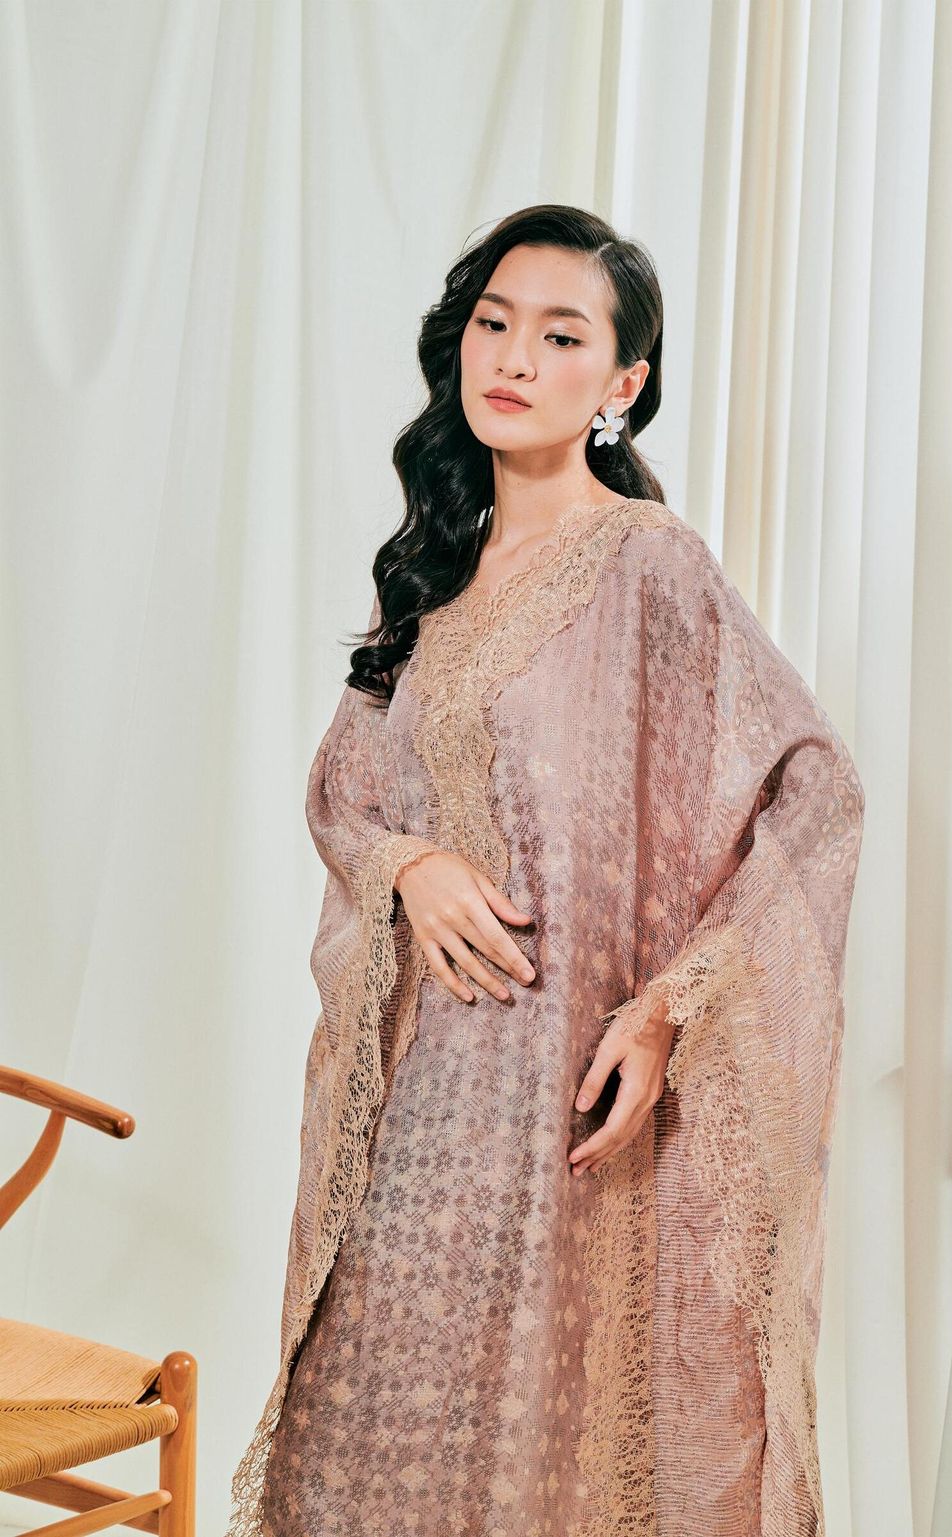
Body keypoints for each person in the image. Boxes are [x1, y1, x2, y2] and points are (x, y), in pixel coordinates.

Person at [226, 204, 865, 1537]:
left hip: (562, 1106)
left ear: (623, 383)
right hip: (416, 1111)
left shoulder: (649, 565)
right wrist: (407, 863)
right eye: (494, 322)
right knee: (361, 1435)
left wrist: (673, 1007)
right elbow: (343, 791)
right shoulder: (432, 573)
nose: (514, 357)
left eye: (562, 336)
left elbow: (814, 791)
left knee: (543, 1456)